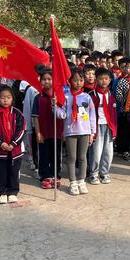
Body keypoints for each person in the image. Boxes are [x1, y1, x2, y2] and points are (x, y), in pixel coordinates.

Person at [55, 68, 96, 196]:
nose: (78, 83)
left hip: (84, 132)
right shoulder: (66, 98)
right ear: (70, 81)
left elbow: (92, 116)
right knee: (71, 157)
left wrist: (92, 132)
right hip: (71, 132)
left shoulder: (87, 97)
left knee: (82, 157)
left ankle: (81, 181)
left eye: (81, 80)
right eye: (75, 80)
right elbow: (62, 115)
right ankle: (73, 182)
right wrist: (55, 106)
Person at [0, 85, 26, 204]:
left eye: (8, 97)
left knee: (13, 171)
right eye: (2, 97)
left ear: (12, 98)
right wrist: (0, 143)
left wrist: (13, 143)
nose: (5, 100)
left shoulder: (17, 113)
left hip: (15, 150)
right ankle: (0, 192)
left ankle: (12, 191)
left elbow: (21, 129)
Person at [32, 69, 64, 189]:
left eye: (49, 79)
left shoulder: (59, 95)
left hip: (57, 132)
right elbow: (35, 117)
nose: (47, 81)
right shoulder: (38, 97)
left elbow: (65, 114)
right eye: (44, 79)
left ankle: (56, 176)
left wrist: (64, 131)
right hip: (44, 132)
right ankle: (45, 176)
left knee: (56, 154)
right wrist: (38, 132)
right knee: (44, 155)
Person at [88, 68, 117, 184]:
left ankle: (104, 173)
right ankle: (94, 173)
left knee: (108, 151)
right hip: (96, 126)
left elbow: (114, 115)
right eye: (100, 79)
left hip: (109, 126)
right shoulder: (91, 95)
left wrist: (114, 130)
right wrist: (90, 130)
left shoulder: (111, 95)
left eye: (106, 79)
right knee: (96, 151)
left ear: (110, 80)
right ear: (96, 79)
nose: (103, 81)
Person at [115, 58, 130, 159]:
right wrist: (127, 103)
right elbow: (118, 95)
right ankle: (125, 150)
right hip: (125, 110)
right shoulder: (122, 81)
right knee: (125, 132)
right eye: (128, 68)